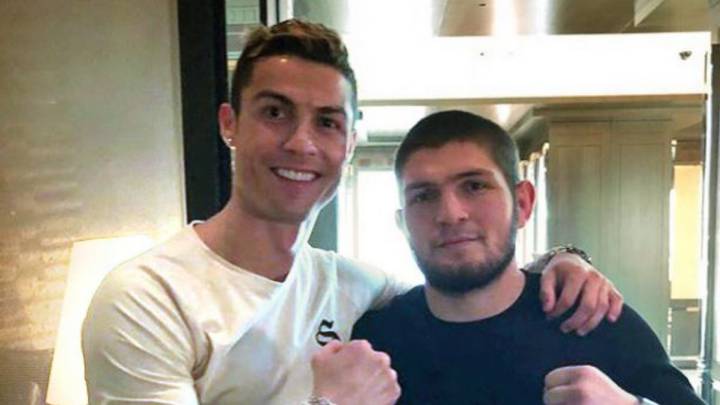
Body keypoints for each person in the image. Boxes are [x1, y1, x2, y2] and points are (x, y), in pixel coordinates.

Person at [82, 20, 623, 405]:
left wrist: (563, 260)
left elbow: (464, 272)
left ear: (350, 144)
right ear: (230, 124)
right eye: (275, 112)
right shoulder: (147, 297)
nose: (301, 143)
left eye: (327, 122)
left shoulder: (351, 284)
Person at [351, 110, 704, 405]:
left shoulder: (592, 316)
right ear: (403, 223)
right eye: (424, 196)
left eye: (474, 186)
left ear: (522, 204)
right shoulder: (373, 344)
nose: (450, 214)